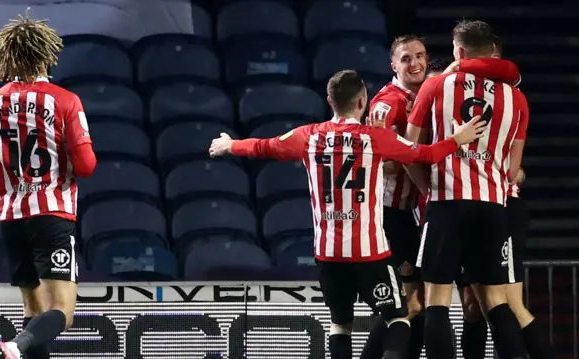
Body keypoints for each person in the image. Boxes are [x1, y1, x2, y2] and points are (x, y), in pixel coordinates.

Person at [209, 69, 488, 359]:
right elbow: (425, 154)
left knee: (340, 325)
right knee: (398, 317)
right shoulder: (375, 138)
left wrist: (231, 145)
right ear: (362, 101)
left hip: (328, 253)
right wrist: (458, 138)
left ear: (330, 101)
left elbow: (265, 146)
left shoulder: (308, 136)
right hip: (370, 253)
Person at [0, 12, 97, 359]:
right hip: (52, 215)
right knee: (62, 312)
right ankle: (15, 345)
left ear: (5, 59)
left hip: (11, 217)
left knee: (34, 311)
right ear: (46, 55)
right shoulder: (65, 100)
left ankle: (18, 346)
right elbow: (86, 167)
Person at [404, 20, 529, 359]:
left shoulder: (436, 87)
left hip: (447, 202)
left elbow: (408, 149)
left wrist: (427, 188)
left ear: (458, 52)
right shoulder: (517, 98)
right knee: (495, 301)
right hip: (493, 207)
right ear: (492, 51)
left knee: (437, 299)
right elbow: (514, 170)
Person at [447, 36, 557, 359]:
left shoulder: (511, 98)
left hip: (502, 207)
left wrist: (516, 173)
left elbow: (513, 170)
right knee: (472, 306)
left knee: (509, 304)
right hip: (467, 208)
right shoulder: (451, 92)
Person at [363, 34, 429, 359]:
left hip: (418, 216)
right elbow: (379, 165)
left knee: (420, 306)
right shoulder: (387, 103)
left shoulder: (430, 95)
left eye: (420, 56)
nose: (415, 63)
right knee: (402, 306)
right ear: (393, 65)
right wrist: (414, 157)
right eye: (406, 59)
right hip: (393, 216)